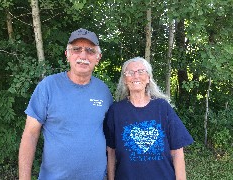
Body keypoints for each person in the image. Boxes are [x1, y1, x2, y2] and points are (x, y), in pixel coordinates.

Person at [18, 28, 113, 180]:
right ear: (67, 54)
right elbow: (30, 134)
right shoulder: (48, 86)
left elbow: (110, 139)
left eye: (90, 50)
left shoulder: (103, 91)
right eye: (76, 49)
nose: (83, 55)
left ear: (98, 57)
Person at [104, 57, 193, 180]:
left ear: (148, 78)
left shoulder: (162, 107)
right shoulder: (116, 111)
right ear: (125, 80)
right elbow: (111, 152)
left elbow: (177, 152)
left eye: (141, 71)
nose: (136, 76)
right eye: (130, 72)